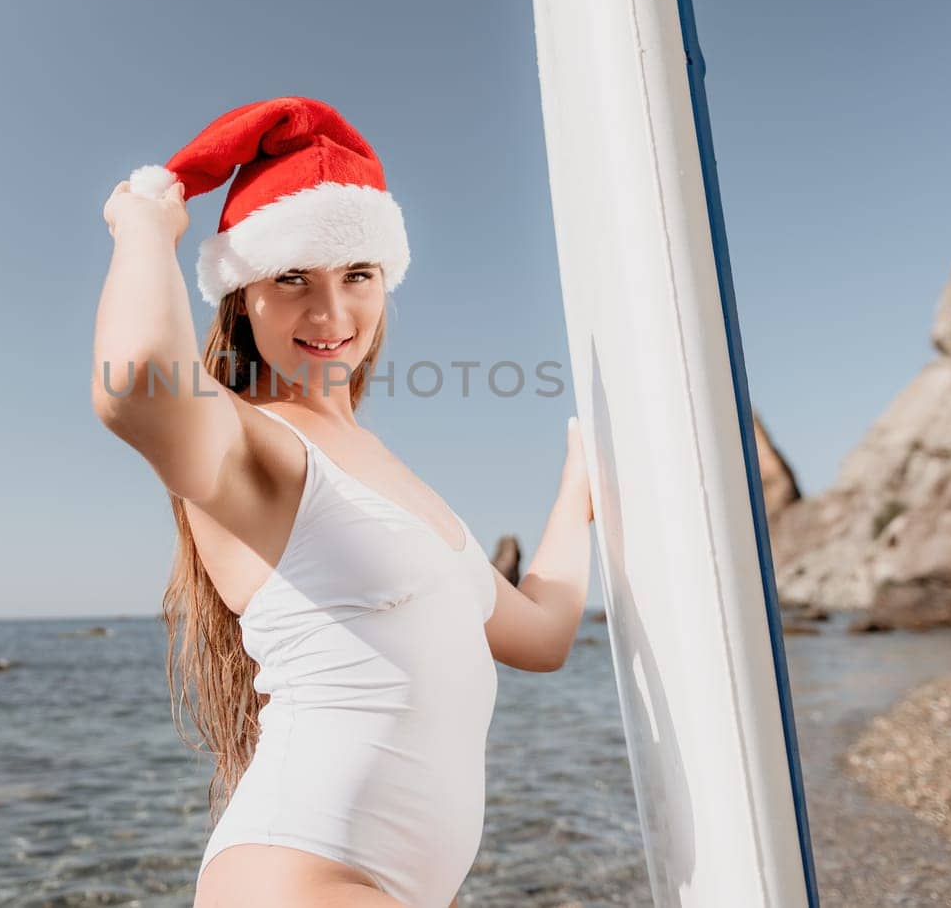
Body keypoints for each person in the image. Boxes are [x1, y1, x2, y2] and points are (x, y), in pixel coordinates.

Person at [92, 96, 594, 907]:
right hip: (300, 876)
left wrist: (583, 482)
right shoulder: (253, 445)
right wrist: (144, 224)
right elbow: (139, 385)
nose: (330, 313)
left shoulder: (396, 473)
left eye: (357, 275)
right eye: (291, 278)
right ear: (243, 296)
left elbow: (542, 633)